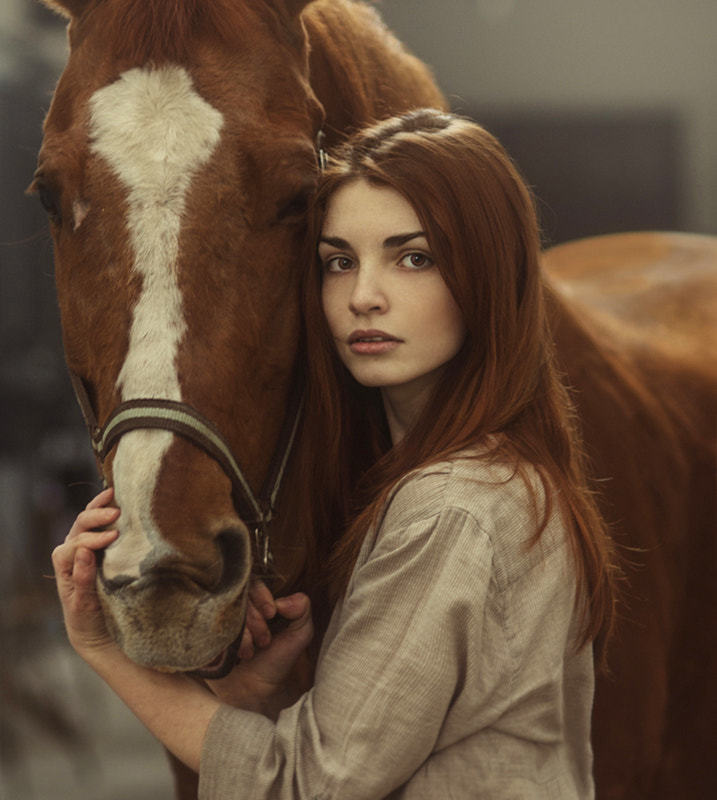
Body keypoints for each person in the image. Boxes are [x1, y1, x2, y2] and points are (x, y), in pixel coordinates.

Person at [53, 109, 618, 798]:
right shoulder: (493, 480)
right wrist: (258, 700)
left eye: (414, 257)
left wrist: (105, 650)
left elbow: (308, 785)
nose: (363, 297)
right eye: (338, 262)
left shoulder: (453, 507)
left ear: (490, 275)